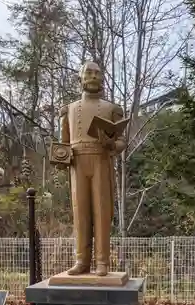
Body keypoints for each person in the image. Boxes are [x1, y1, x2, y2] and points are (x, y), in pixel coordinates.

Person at [59, 61, 126, 276]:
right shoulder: (69, 109)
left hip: (101, 160)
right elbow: (64, 142)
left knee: (102, 211)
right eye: (89, 72)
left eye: (97, 73)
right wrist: (60, 158)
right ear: (81, 76)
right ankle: (82, 261)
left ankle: (102, 262)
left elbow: (122, 141)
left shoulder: (111, 108)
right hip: (77, 163)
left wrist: (111, 144)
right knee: (80, 213)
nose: (93, 76)